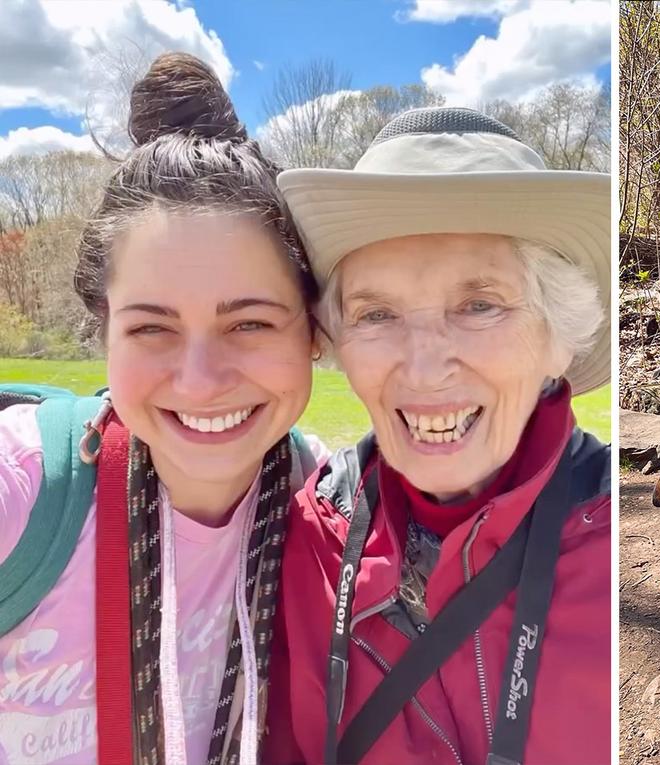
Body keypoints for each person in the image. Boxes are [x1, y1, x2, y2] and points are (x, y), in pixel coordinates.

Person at [264, 108, 611, 765]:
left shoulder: (611, 543)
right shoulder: (310, 535)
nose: (423, 368)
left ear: (557, 338)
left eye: (479, 304)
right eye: (376, 313)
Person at [0, 53, 320, 765]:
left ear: (314, 329)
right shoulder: (22, 490)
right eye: (152, 327)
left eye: (250, 323)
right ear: (104, 331)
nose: (201, 381)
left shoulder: (325, 504)